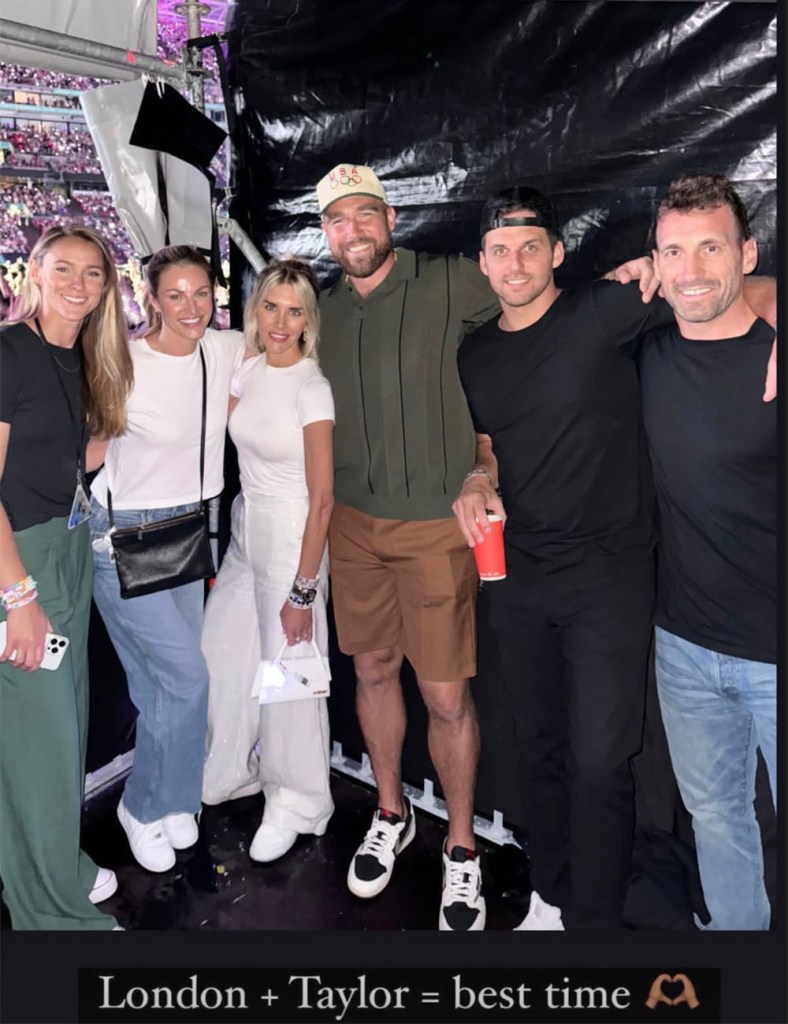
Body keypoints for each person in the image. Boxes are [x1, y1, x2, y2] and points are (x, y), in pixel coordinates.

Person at [452, 184, 775, 930]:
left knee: (601, 762)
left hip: (611, 581)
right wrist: (476, 476)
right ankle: (551, 890)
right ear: (482, 263)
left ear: (558, 253)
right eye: (500, 250)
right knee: (538, 748)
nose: (516, 262)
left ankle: (592, 922)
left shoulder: (602, 309)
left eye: (532, 246)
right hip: (520, 578)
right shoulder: (474, 353)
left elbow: (717, 288)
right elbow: (488, 443)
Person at [316, 162, 499, 930]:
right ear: (325, 232)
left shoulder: (450, 280)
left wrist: (486, 462)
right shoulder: (318, 310)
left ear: (390, 217)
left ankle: (462, 850)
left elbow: (541, 301)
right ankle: (391, 811)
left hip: (435, 530)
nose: (352, 230)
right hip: (351, 526)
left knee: (445, 693)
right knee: (371, 668)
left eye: (365, 214)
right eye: (336, 220)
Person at [640, 174, 776, 930]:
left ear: (747, 254)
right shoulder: (647, 355)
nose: (690, 270)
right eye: (673, 251)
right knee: (718, 820)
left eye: (710, 247)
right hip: (684, 648)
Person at [89, 245, 245, 873]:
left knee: (165, 681)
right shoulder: (121, 358)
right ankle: (144, 804)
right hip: (124, 532)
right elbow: (88, 451)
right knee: (185, 679)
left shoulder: (227, 349)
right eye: (174, 295)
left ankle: (177, 796)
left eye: (201, 293)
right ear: (149, 297)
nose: (190, 307)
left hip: (188, 527)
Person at [0, 223, 132, 929]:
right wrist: (17, 596)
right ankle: (49, 912)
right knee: (44, 744)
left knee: (53, 734)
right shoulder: (10, 352)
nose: (79, 285)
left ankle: (52, 865)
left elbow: (67, 459)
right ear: (34, 273)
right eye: (64, 269)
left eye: (94, 273)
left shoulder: (79, 358)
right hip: (20, 563)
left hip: (69, 548)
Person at [201, 259, 335, 862]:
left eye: (295, 310)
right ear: (255, 311)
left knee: (289, 678)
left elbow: (324, 496)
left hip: (293, 537)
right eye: (271, 307)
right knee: (220, 652)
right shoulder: (248, 369)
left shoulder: (312, 385)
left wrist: (303, 590)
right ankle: (228, 770)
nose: (280, 321)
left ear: (309, 320)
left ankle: (299, 801)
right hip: (244, 531)